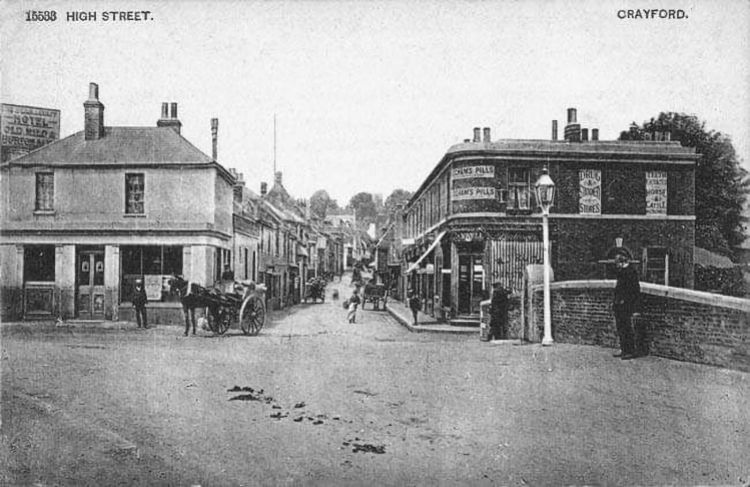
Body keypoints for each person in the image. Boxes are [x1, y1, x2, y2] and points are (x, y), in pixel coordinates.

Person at [613, 253, 641, 359]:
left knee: (627, 328)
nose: (616, 266)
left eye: (617, 263)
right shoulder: (622, 272)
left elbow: (634, 290)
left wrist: (633, 306)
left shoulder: (631, 272)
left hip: (626, 305)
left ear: (621, 262)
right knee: (621, 328)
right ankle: (624, 349)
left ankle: (630, 351)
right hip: (619, 305)